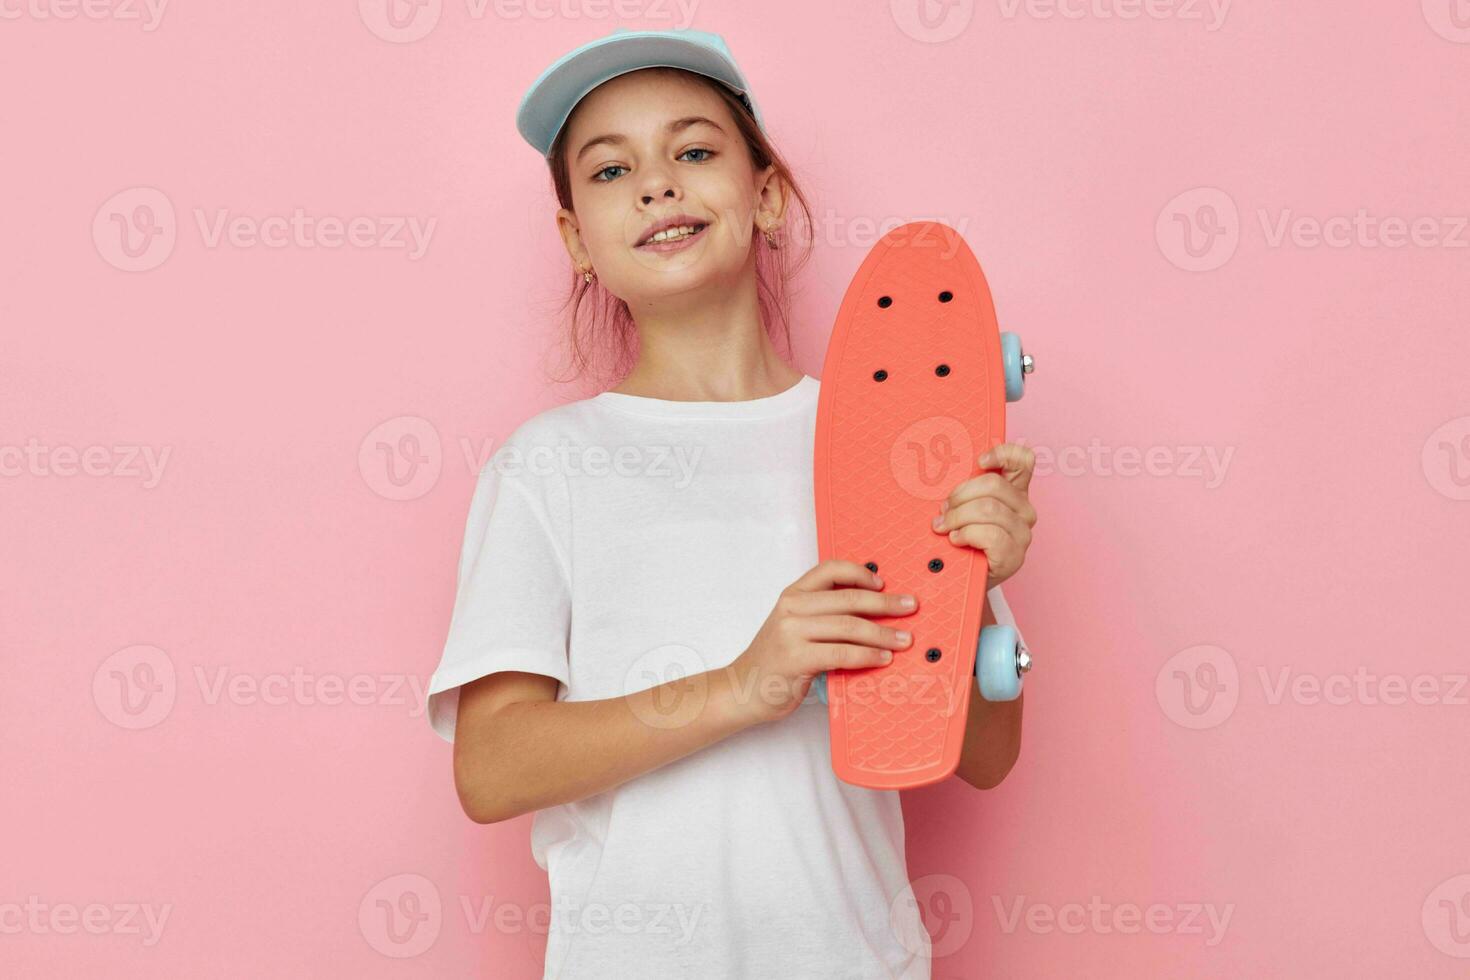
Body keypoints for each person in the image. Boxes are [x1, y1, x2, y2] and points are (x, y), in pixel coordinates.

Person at [425, 27, 1039, 980]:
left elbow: (982, 756)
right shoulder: (548, 468)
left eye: (696, 151)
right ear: (575, 240)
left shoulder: (884, 443)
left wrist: (979, 581)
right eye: (611, 169)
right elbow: (492, 766)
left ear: (766, 193)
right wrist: (744, 687)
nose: (659, 184)